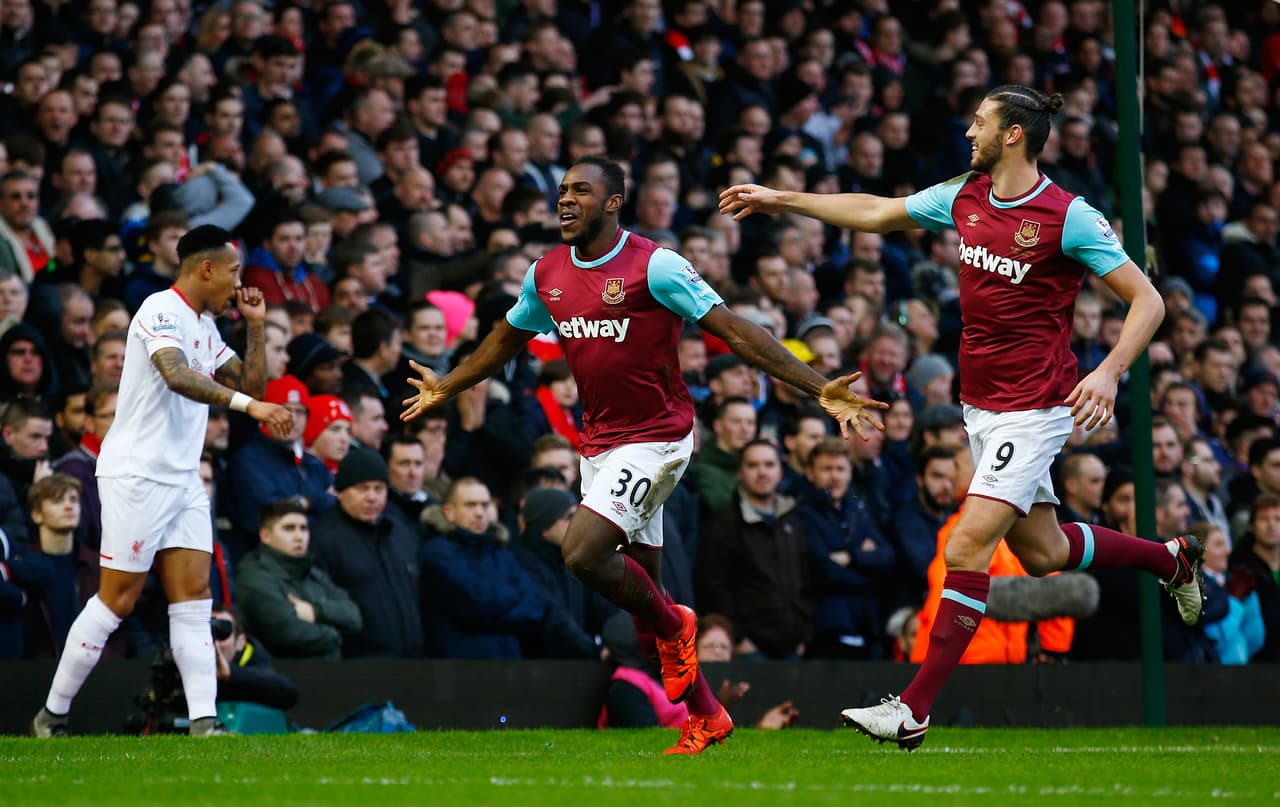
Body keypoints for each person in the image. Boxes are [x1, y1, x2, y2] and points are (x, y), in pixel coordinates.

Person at [721, 84, 1202, 748]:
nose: (968, 132)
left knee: (965, 545)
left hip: (1035, 407)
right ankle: (1171, 561)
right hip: (983, 406)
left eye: (979, 122)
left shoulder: (1070, 217)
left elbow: (1146, 299)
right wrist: (781, 199)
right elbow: (878, 211)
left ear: (1013, 135)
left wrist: (1109, 368)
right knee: (1044, 551)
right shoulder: (964, 196)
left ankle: (914, 707)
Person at [401, 155, 886, 754]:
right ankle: (707, 716)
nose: (565, 200)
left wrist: (818, 388)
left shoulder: (655, 265)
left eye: (581, 191)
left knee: (581, 555)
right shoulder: (545, 273)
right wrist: (448, 383)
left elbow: (734, 330)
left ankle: (679, 624)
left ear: (612, 202)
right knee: (640, 605)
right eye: (562, 191)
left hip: (658, 437)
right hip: (599, 445)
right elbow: (506, 339)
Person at [30, 224, 293, 737]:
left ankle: (204, 723)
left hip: (181, 479)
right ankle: (51, 714)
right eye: (234, 271)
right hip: (136, 474)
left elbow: (253, 383)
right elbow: (177, 375)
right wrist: (247, 404)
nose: (239, 283)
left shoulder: (206, 327)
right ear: (206, 268)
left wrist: (256, 327)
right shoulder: (159, 310)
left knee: (194, 598)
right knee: (118, 599)